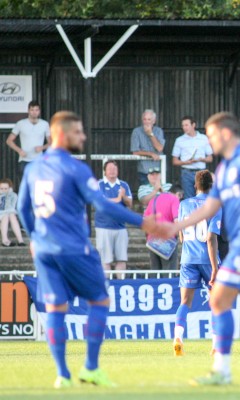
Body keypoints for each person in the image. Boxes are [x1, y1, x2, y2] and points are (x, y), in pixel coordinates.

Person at [17, 111, 171, 389]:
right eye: (78, 132)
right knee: (100, 301)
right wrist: (143, 222)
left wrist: (33, 237)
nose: (83, 137)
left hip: (44, 250)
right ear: (62, 134)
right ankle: (90, 367)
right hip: (73, 247)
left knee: (56, 308)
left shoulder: (33, 168)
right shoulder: (75, 168)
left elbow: (22, 209)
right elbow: (103, 204)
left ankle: (62, 375)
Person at [169, 111, 240, 385]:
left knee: (219, 299)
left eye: (210, 136)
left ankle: (223, 370)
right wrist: (176, 227)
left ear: (225, 133)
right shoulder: (224, 168)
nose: (209, 143)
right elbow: (210, 206)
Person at [173, 170, 222, 356]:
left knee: (185, 302)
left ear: (195, 185)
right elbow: (210, 238)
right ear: (212, 186)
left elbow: (180, 235)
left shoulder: (183, 205)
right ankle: (216, 345)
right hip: (207, 260)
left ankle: (178, 337)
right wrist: (215, 267)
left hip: (188, 259)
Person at [95, 160, 132, 279]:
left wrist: (123, 196)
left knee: (121, 259)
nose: (112, 171)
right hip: (103, 226)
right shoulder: (98, 184)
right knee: (105, 260)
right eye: (109, 168)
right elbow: (101, 202)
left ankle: (120, 283)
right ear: (104, 171)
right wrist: (118, 198)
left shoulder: (123, 185)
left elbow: (129, 203)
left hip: (120, 227)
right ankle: (106, 284)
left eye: (114, 168)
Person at [5, 100, 51, 177]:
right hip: (24, 160)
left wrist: (42, 147)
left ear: (39, 111)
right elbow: (9, 141)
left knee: (38, 184)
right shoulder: (20, 123)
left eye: (36, 110)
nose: (34, 112)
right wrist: (19, 150)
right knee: (25, 185)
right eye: (32, 110)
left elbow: (51, 142)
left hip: (38, 160)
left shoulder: (45, 124)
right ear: (28, 111)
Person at [171, 116, 213, 198]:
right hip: (186, 172)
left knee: (203, 198)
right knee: (189, 198)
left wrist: (201, 159)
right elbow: (174, 161)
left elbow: (210, 158)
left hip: (201, 173)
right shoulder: (179, 140)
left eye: (186, 125)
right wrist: (186, 162)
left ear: (193, 125)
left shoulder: (203, 138)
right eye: (183, 125)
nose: (184, 127)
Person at [143, 185, 180, 270]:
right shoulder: (174, 199)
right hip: (168, 241)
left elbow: (145, 221)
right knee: (168, 272)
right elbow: (176, 220)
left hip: (153, 240)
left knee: (155, 272)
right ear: (178, 194)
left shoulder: (153, 200)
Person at [130, 109, 166, 186]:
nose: (146, 122)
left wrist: (150, 134)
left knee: (159, 195)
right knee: (146, 195)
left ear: (154, 121)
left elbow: (159, 148)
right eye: (144, 119)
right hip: (144, 170)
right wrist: (150, 154)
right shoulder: (136, 131)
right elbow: (135, 152)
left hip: (158, 170)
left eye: (149, 119)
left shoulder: (159, 131)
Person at [0, 178, 25, 247]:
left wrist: (7, 195)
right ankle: (5, 240)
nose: (4, 190)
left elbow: (11, 207)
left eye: (6, 188)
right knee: (6, 216)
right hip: (1, 213)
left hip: (8, 212)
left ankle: (20, 240)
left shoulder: (13, 195)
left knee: (11, 216)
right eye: (1, 188)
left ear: (10, 188)